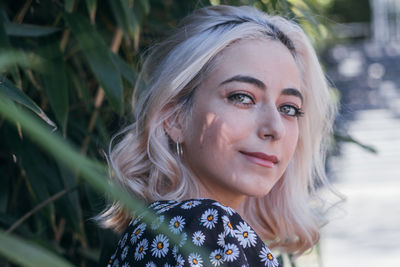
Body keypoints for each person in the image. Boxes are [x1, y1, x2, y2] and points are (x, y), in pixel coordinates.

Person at [100, 4, 337, 267]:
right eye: (242, 97)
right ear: (175, 119)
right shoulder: (205, 227)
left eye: (288, 108)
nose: (275, 127)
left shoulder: (162, 230)